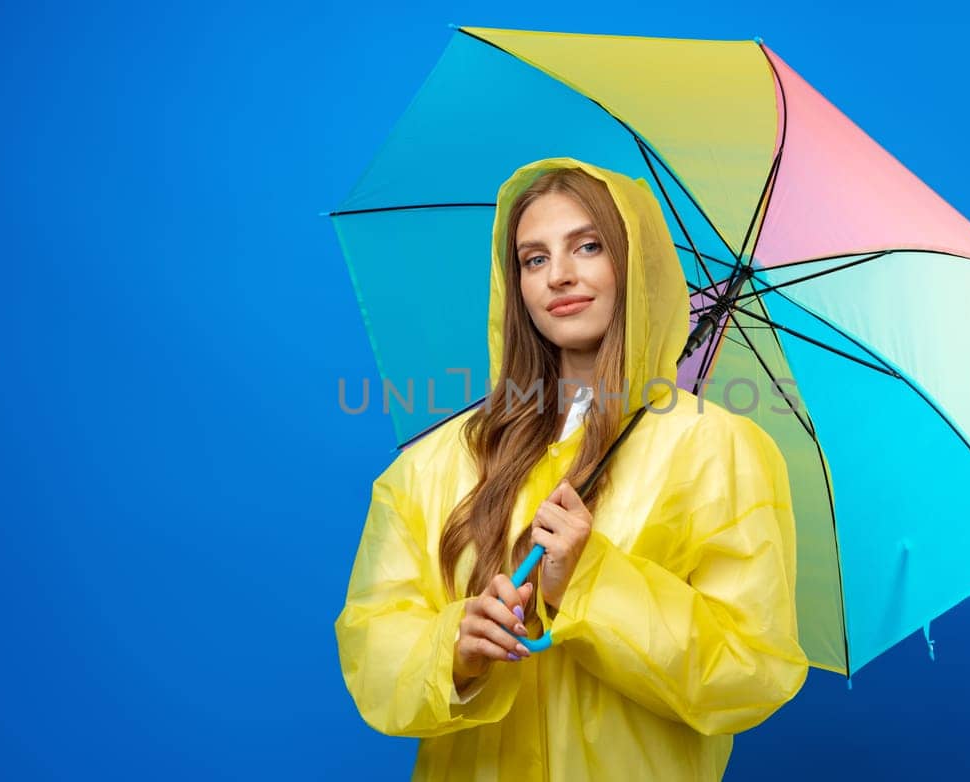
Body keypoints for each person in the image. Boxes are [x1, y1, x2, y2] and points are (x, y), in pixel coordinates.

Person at [335, 157, 808, 780]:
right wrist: (452, 650)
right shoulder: (435, 464)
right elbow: (371, 647)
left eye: (587, 247)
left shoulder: (718, 451)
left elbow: (751, 670)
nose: (559, 276)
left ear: (634, 265)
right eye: (534, 258)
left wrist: (591, 581)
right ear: (516, 285)